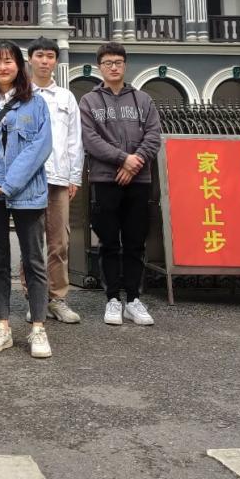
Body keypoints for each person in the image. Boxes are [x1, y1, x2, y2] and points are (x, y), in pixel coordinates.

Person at [0, 40, 54, 358]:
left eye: (8, 61)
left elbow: (41, 146)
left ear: (19, 65)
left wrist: (10, 183)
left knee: (34, 260)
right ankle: (2, 326)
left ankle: (38, 328)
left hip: (28, 192)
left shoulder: (36, 103)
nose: (2, 67)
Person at [79, 42, 161, 327]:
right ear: (99, 67)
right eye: (108, 63)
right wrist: (123, 159)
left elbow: (153, 135)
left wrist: (135, 162)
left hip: (139, 181)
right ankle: (113, 298)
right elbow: (90, 139)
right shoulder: (89, 101)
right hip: (105, 180)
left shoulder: (143, 99)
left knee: (136, 241)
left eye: (118, 62)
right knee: (109, 242)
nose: (113, 67)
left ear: (125, 65)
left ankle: (134, 299)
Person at [27, 37, 84, 324]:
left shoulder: (66, 97)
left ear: (56, 62)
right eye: (39, 55)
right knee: (31, 242)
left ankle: (58, 298)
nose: (44, 61)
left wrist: (74, 176)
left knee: (59, 242)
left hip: (59, 179)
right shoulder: (21, 95)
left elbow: (75, 139)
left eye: (50, 56)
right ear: (30, 59)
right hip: (28, 179)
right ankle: (34, 299)